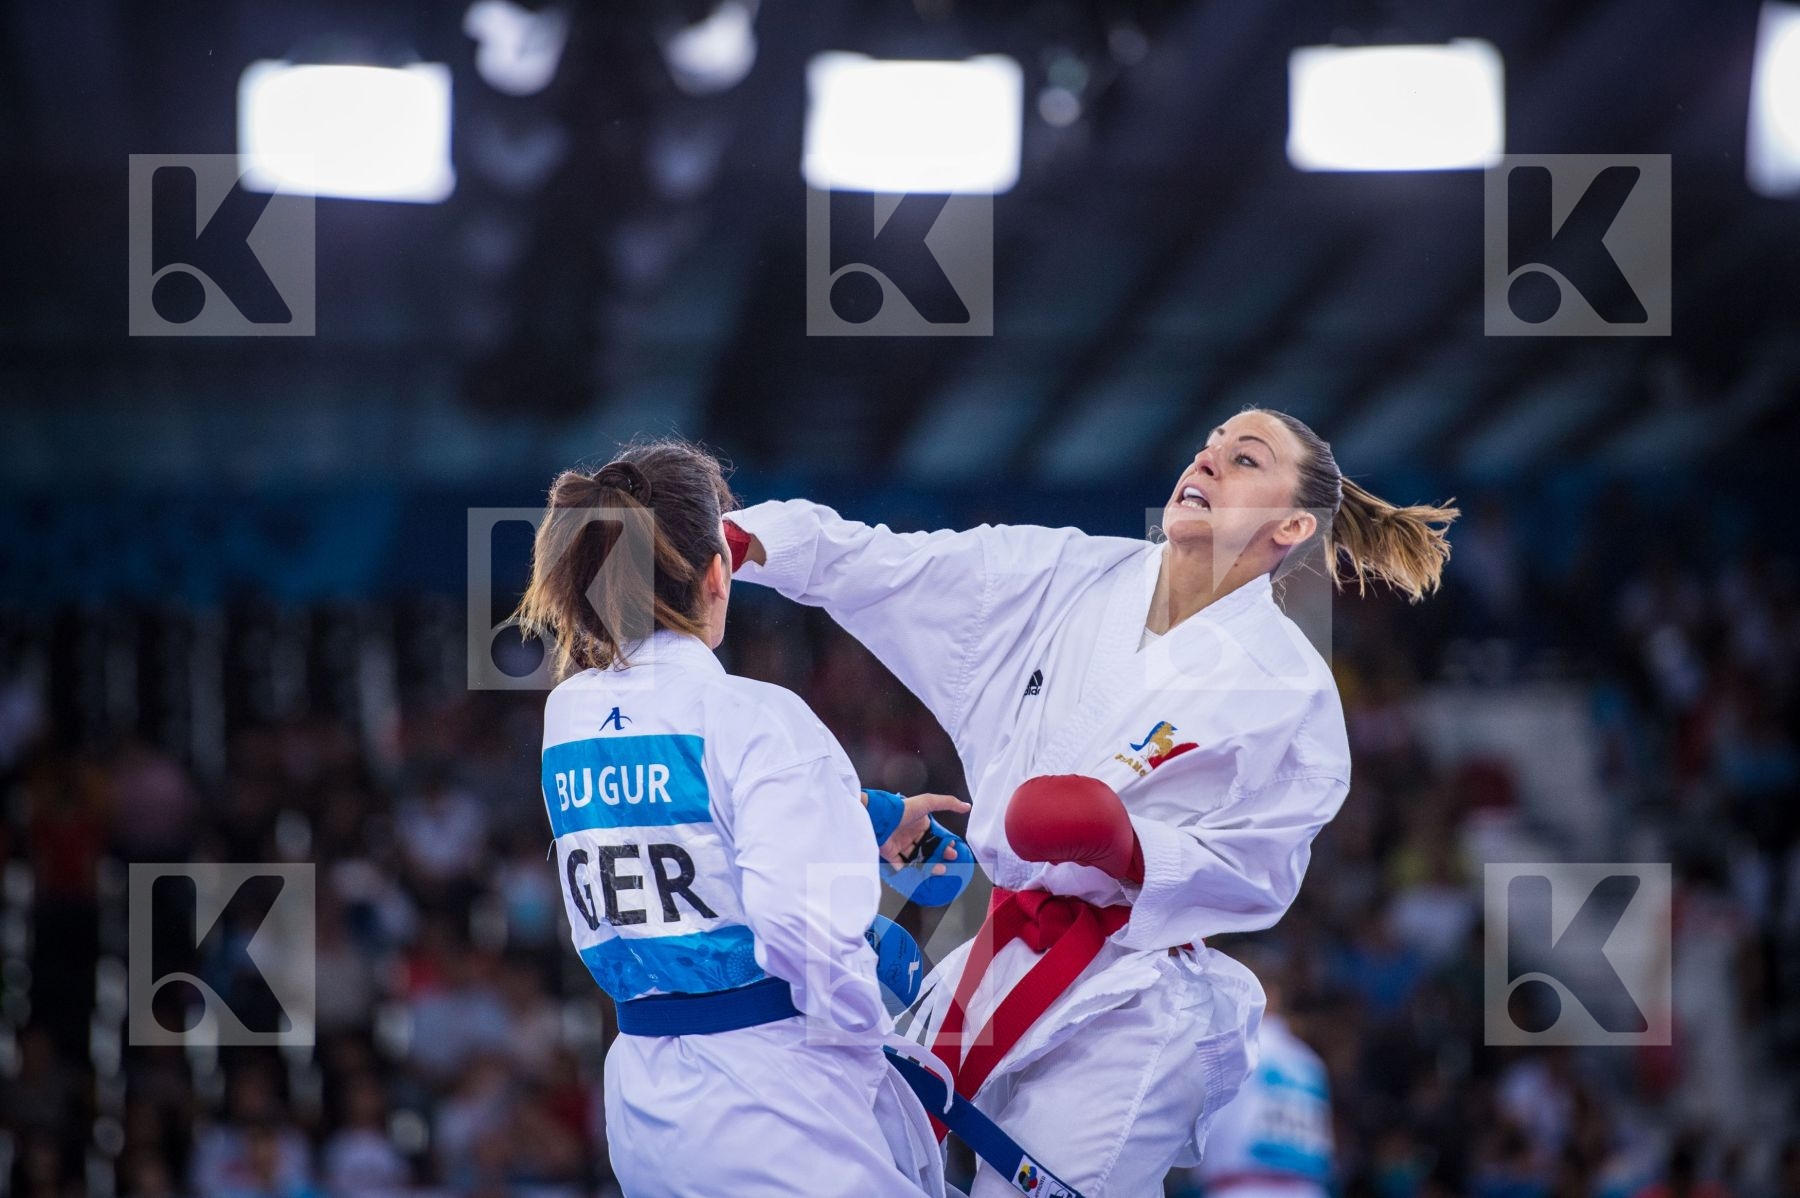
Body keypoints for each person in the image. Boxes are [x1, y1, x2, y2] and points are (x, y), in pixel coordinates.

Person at [724, 408, 1457, 1195]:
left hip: (1128, 1000)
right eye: (1207, 447)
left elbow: (1265, 862)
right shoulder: (1068, 575)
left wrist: (1128, 848)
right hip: (992, 950)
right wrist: (746, 542)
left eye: (1243, 459)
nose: (1205, 463)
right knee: (866, 1172)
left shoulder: (1286, 681)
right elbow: (886, 565)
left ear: (1290, 527)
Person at [515, 438, 960, 1197]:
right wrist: (870, 1024)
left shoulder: (569, 715)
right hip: (776, 1098)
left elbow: (682, 826)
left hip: (646, 1096)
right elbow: (801, 929)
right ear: (718, 570)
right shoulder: (759, 716)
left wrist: (853, 819)